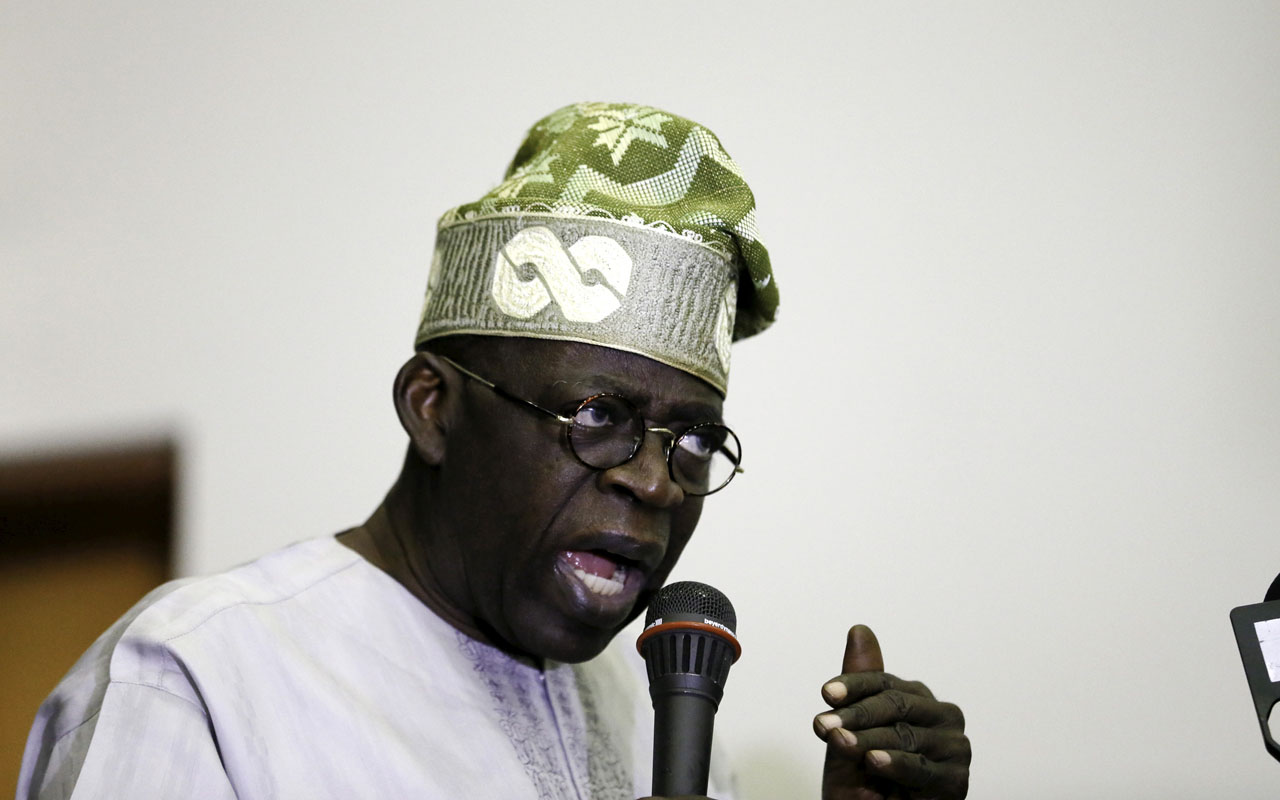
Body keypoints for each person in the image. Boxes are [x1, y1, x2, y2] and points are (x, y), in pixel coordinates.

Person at [18, 102, 969, 799]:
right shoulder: (200, 682)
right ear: (432, 408)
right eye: (598, 414)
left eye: (692, 440)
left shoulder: (652, 717)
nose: (655, 482)